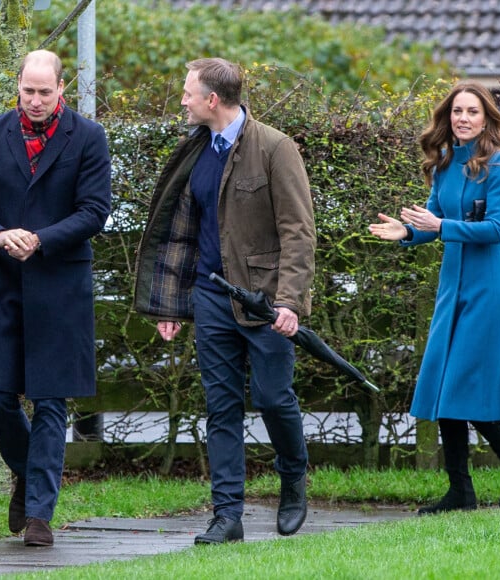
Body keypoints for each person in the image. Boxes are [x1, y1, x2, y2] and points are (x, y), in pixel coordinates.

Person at [134, 58, 316, 543]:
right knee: (221, 407)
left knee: (275, 400)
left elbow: (299, 232)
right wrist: (171, 305)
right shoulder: (193, 151)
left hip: (264, 301)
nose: (183, 101)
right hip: (211, 297)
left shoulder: (276, 148)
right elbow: (179, 233)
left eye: (188, 93)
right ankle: (227, 516)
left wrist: (290, 303)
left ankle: (293, 479)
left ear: (212, 100)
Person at [0, 50, 111, 546]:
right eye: (29, 90)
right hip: (1, 280)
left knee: (50, 398)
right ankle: (27, 474)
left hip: (60, 282)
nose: (36, 100)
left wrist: (40, 239)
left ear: (62, 89)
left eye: (46, 92)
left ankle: (41, 513)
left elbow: (94, 211)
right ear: (19, 87)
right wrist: (0, 235)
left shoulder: (88, 137)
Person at [369, 80, 500, 514]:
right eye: (457, 111)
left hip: (485, 290)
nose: (463, 118)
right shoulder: (444, 164)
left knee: (463, 384)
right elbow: (434, 220)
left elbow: (496, 229)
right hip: (451, 289)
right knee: (445, 385)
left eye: (472, 112)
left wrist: (439, 227)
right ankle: (463, 489)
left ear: (486, 119)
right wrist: (406, 231)